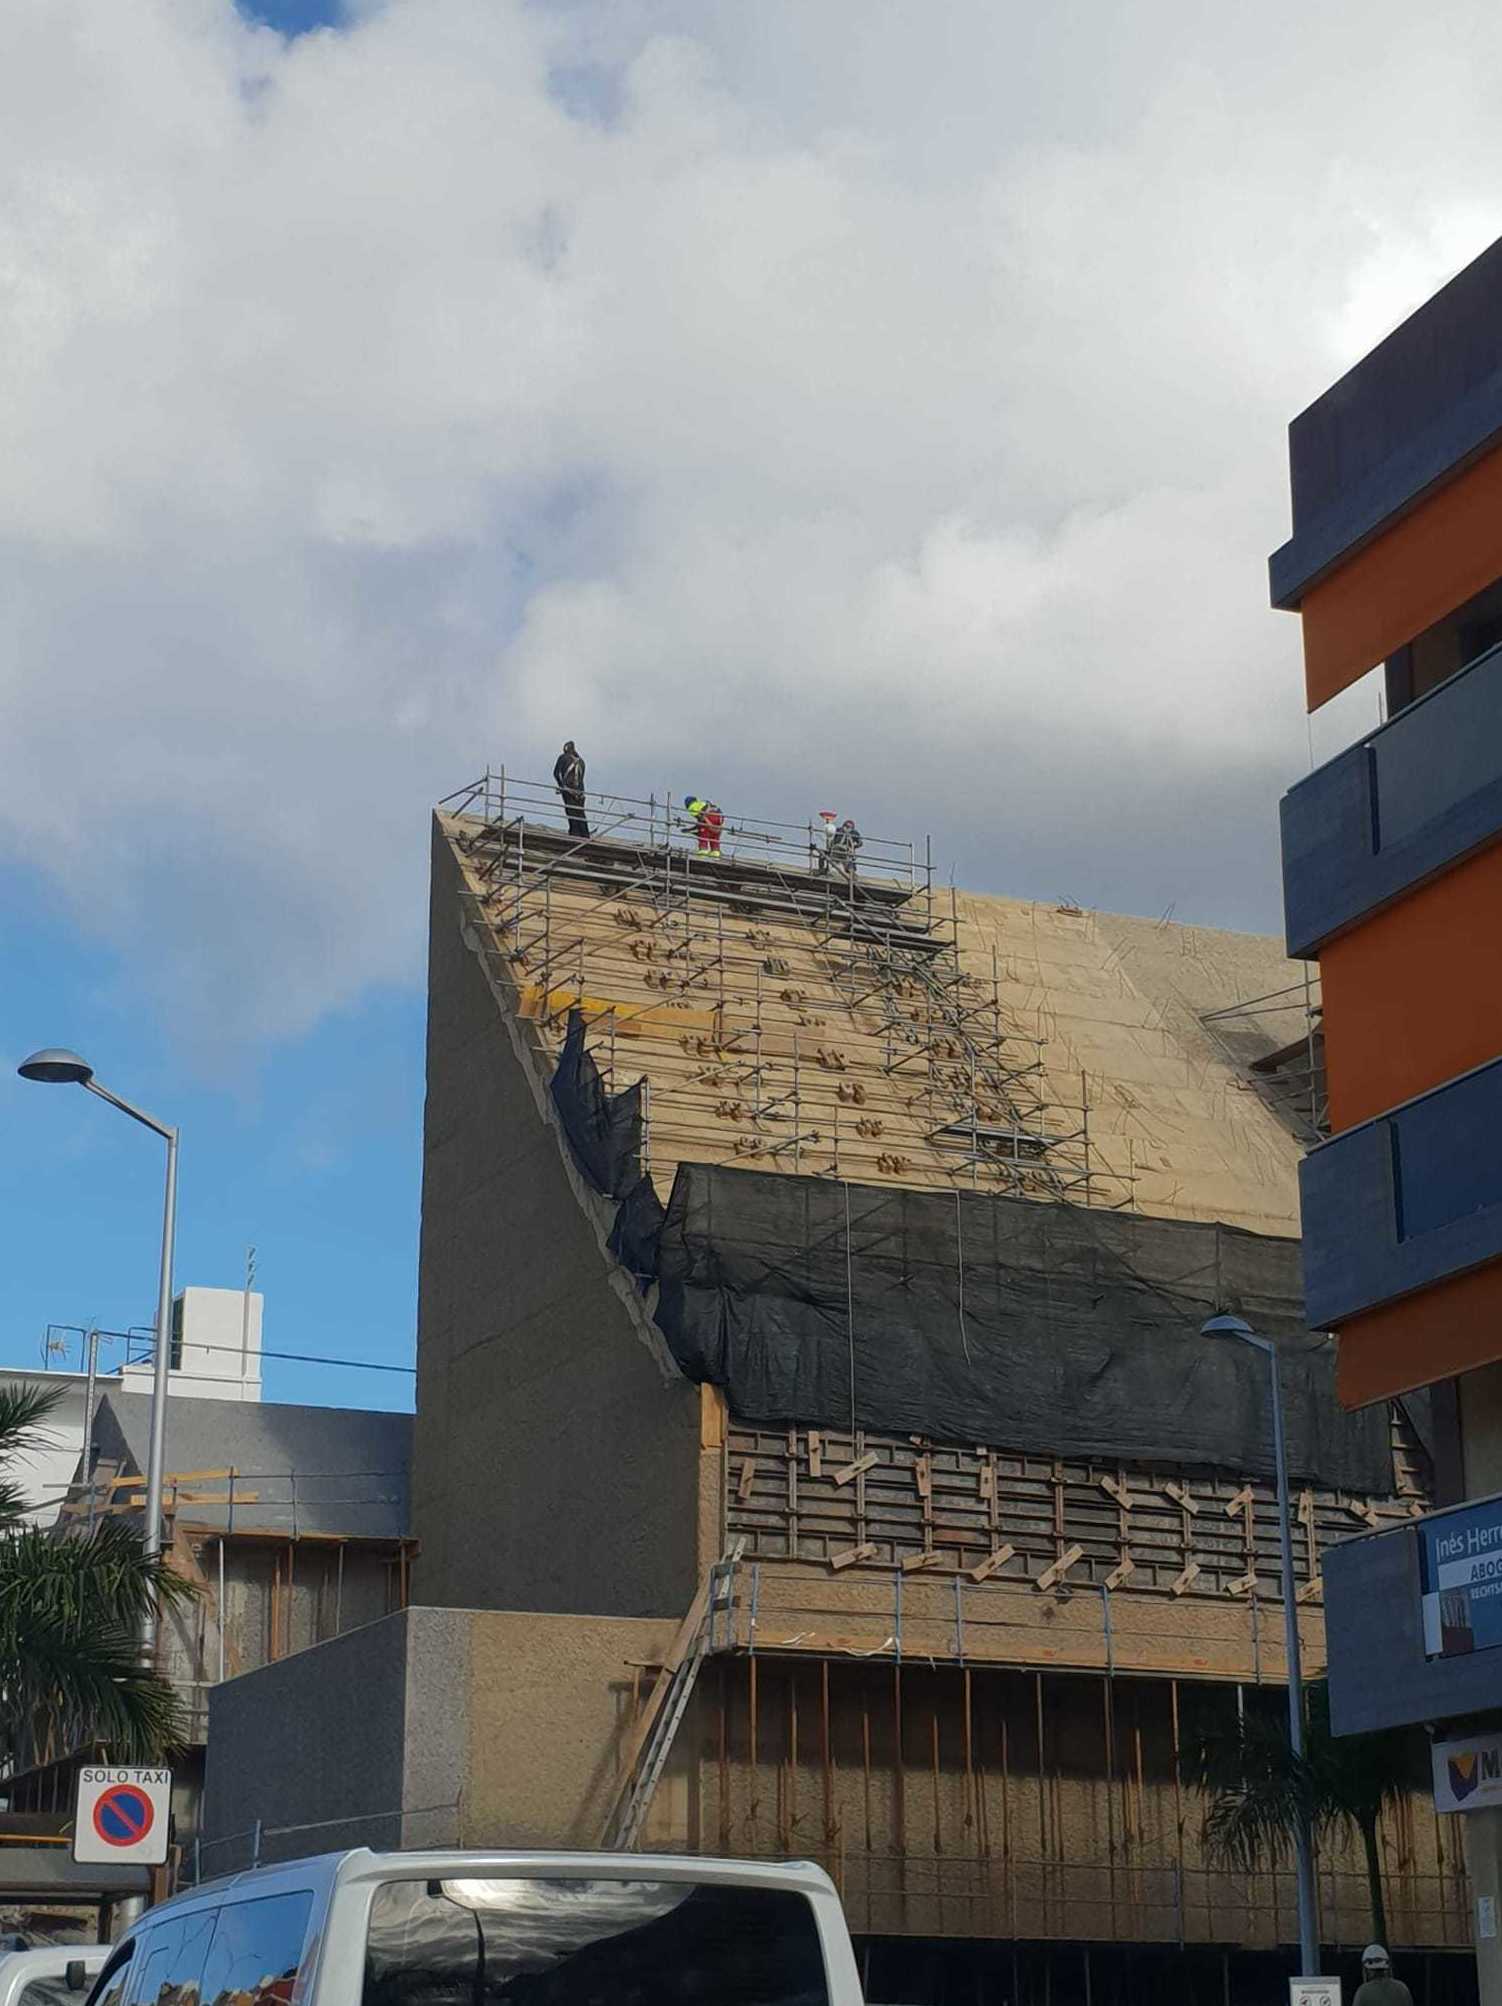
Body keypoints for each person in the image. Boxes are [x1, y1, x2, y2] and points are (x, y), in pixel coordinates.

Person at [553, 740, 589, 838]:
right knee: (581, 813)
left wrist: (561, 786)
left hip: (568, 791)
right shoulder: (581, 761)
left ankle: (574, 834)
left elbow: (556, 773)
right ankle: (585, 835)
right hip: (580, 793)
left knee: (571, 812)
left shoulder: (562, 758)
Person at [828, 816, 863, 880]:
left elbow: (860, 843)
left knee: (849, 864)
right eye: (846, 826)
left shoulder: (854, 833)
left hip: (846, 850)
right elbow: (832, 838)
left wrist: (853, 847)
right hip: (837, 848)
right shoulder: (839, 830)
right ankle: (826, 871)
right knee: (833, 862)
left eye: (849, 827)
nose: (847, 828)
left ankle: (852, 875)